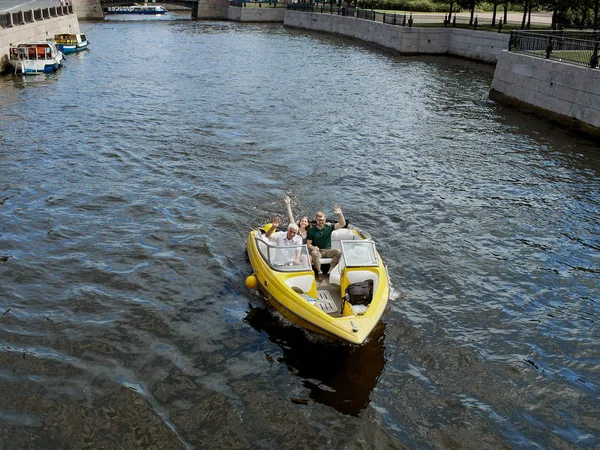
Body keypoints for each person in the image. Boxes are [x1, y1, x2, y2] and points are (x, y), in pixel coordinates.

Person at [306, 205, 346, 281]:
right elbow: (308, 244)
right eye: (319, 220)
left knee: (339, 252)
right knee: (314, 253)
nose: (321, 222)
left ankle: (330, 271)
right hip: (318, 251)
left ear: (325, 220)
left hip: (327, 251)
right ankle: (319, 272)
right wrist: (313, 247)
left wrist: (340, 213)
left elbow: (342, 224)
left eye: (323, 220)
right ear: (316, 220)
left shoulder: (329, 227)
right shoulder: (311, 230)